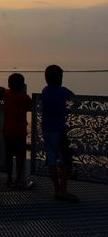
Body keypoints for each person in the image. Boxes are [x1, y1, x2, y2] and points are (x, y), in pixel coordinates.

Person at [41, 65, 78, 202]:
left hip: (46, 130)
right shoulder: (63, 91)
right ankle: (63, 191)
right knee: (65, 161)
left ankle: (56, 190)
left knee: (51, 161)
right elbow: (75, 99)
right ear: (60, 78)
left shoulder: (44, 91)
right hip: (58, 130)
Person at [3, 73, 32, 188]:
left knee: (9, 156)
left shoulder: (6, 94)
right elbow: (30, 107)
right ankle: (19, 178)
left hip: (7, 131)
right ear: (22, 85)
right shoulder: (25, 97)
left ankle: (9, 178)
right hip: (20, 131)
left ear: (9, 84)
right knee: (20, 156)